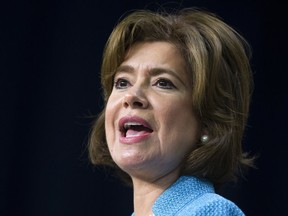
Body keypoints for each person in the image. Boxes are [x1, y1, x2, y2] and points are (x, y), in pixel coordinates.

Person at [88, 7, 254, 216]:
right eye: (122, 82)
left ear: (208, 122)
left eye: (163, 83)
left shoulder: (211, 211)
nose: (131, 96)